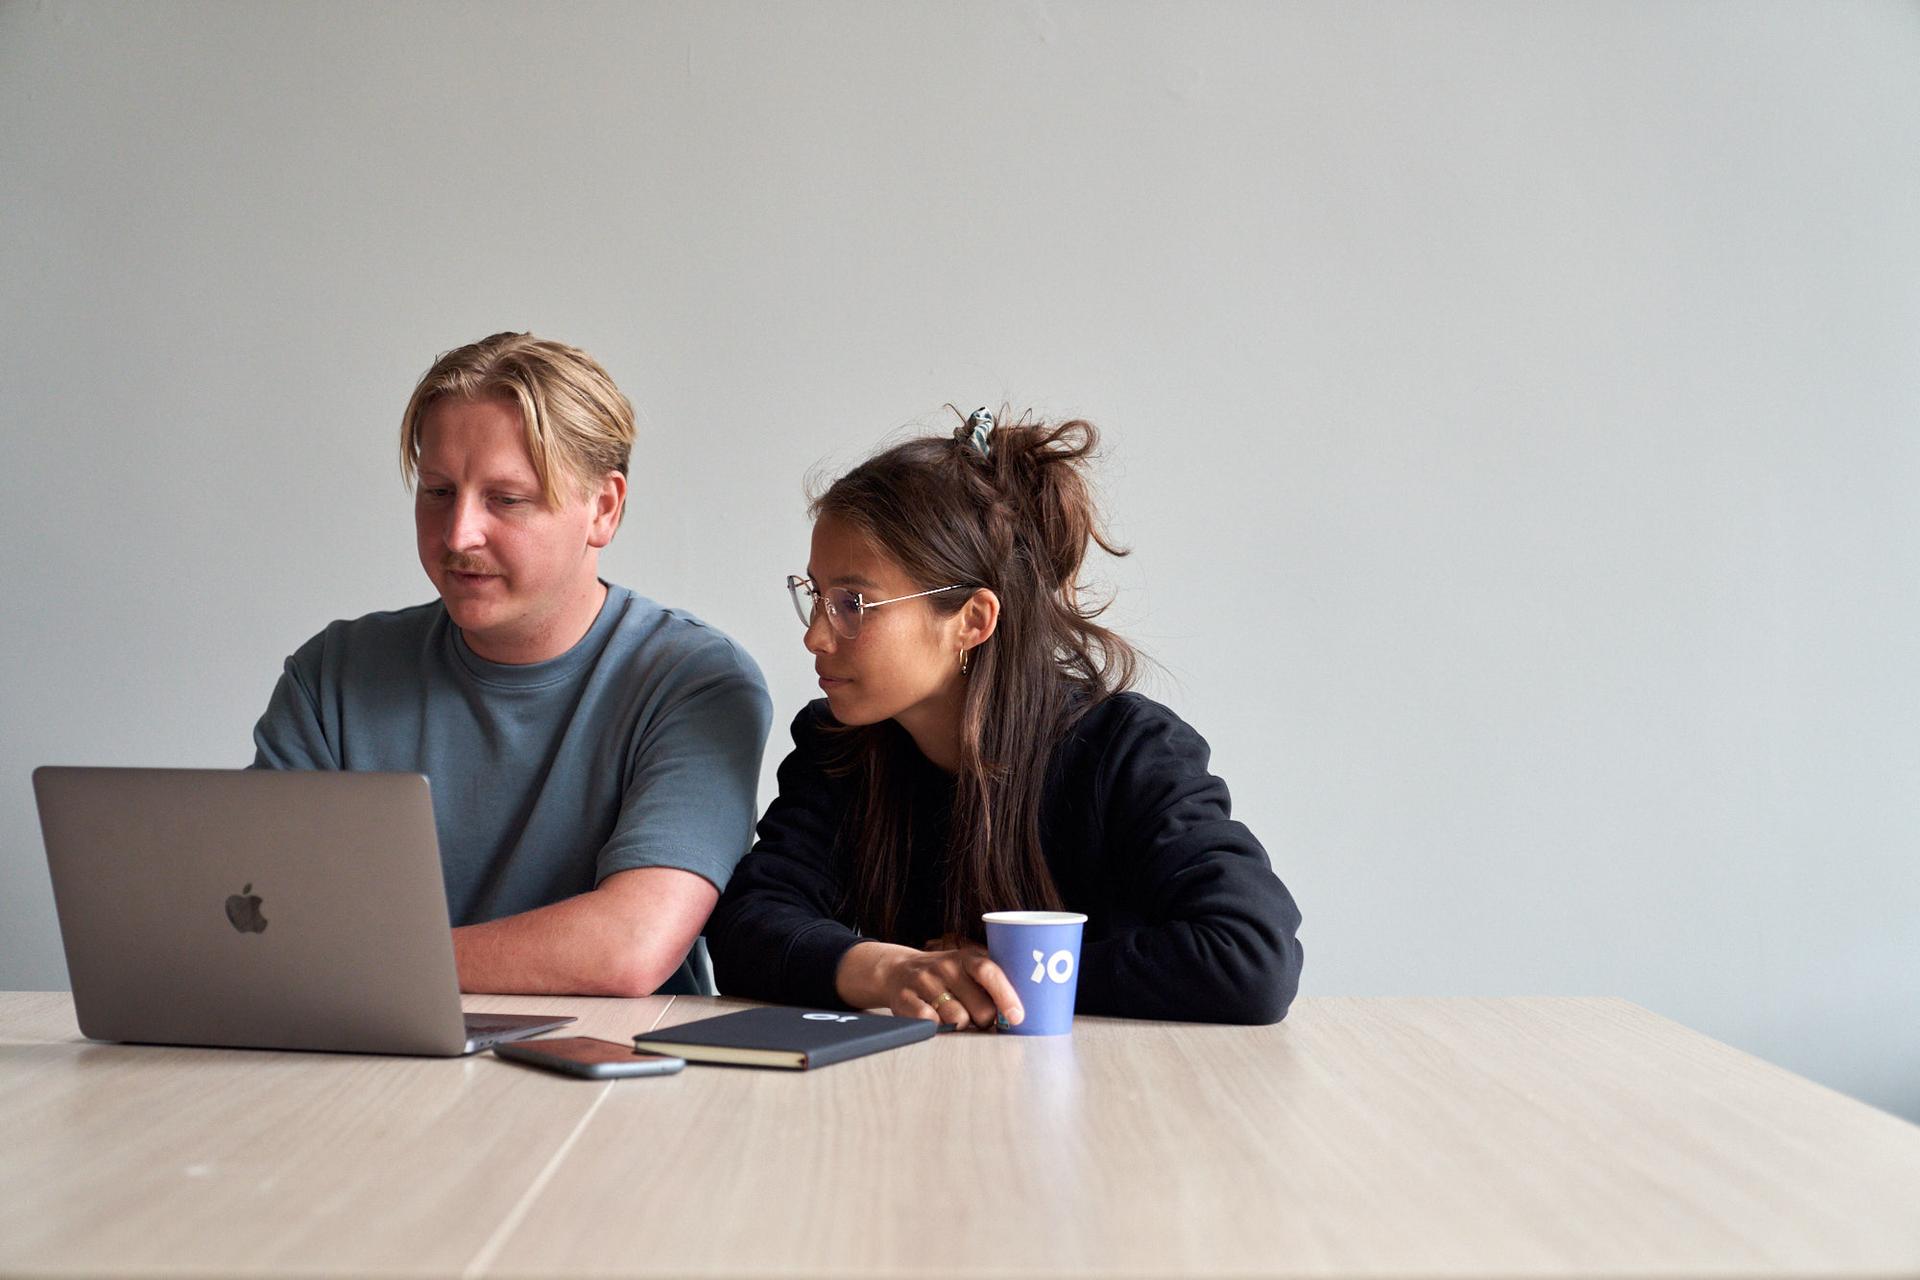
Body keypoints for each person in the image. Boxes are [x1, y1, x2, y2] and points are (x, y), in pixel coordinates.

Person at [706, 409, 1302, 1027]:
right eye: (815, 596)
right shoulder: (837, 746)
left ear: (973, 620)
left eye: (853, 603)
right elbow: (752, 926)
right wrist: (895, 971)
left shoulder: (1129, 751)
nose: (816, 637)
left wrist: (1000, 973)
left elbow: (1250, 958)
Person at [252, 332, 772, 997]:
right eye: (438, 491)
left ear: (604, 509)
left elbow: (629, 946)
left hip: (608, 1079)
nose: (458, 534)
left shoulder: (694, 682)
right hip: (368, 1056)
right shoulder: (333, 673)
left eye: (507, 500)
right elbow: (261, 919)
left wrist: (349, 963)